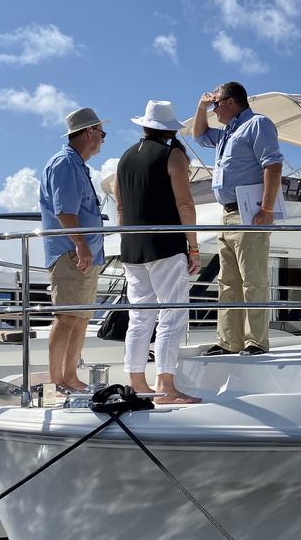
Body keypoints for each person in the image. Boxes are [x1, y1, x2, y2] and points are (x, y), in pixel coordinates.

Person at [116, 100, 202, 404]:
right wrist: (193, 246)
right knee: (172, 315)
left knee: (140, 317)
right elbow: (185, 204)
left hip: (132, 248)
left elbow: (121, 207)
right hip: (165, 246)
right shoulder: (172, 154)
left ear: (144, 125)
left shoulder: (125, 158)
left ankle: (137, 383)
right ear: (168, 129)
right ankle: (165, 385)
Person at [192, 82, 284, 356]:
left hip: (249, 214)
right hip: (227, 214)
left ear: (231, 102)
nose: (214, 109)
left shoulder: (258, 124)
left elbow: (273, 164)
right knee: (227, 281)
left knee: (252, 279)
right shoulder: (226, 133)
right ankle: (228, 341)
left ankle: (255, 341)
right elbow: (198, 136)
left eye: (216, 104)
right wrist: (201, 107)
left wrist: (266, 210)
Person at [39, 107, 108, 394]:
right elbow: (64, 211)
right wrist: (80, 245)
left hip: (83, 253)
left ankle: (69, 377)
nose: (103, 141)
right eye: (102, 134)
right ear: (90, 131)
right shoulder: (65, 163)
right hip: (72, 252)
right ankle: (59, 380)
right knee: (67, 316)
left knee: (80, 318)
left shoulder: (76, 164)